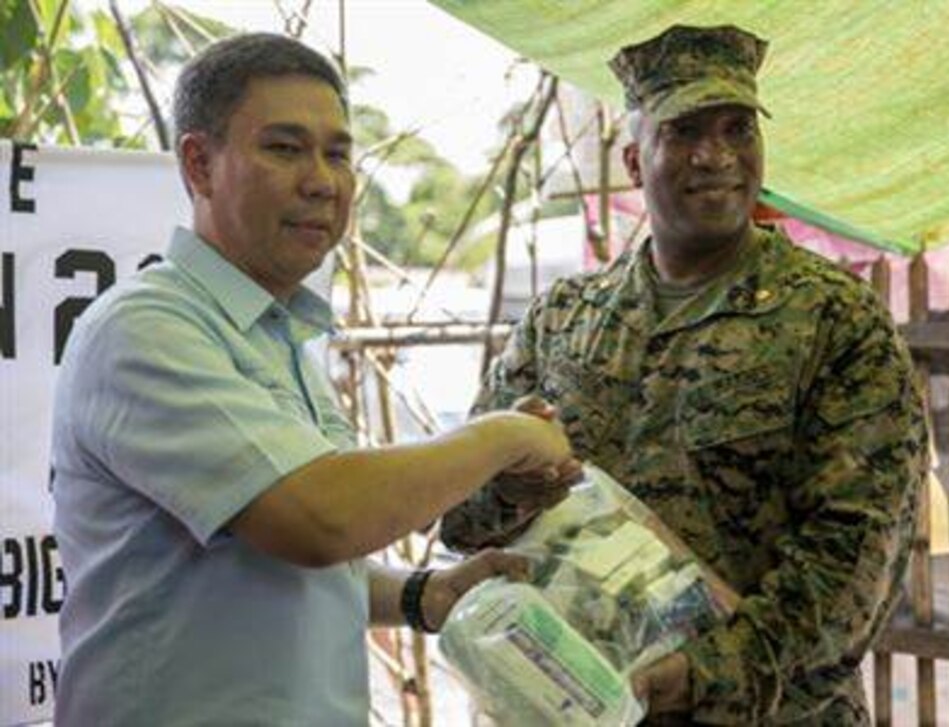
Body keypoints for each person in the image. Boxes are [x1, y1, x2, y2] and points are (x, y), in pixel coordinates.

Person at [50, 33, 574, 726]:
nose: (322, 180)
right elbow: (321, 519)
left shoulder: (282, 336)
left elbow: (280, 564)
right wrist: (503, 436)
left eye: (337, 152)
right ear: (200, 164)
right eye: (285, 148)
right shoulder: (146, 329)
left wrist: (422, 595)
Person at [441, 23, 928, 725]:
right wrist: (511, 492)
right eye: (685, 131)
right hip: (579, 703)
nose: (717, 155)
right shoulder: (561, 322)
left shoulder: (834, 320)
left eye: (738, 129)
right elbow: (461, 518)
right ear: (635, 159)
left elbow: (855, 560)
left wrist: (701, 677)